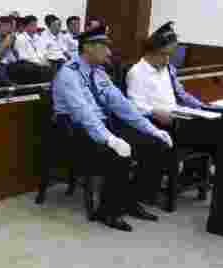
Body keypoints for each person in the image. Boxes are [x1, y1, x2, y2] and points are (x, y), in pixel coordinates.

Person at [51, 23, 173, 231]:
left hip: (101, 125)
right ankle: (108, 211)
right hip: (75, 131)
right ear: (88, 47)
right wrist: (110, 139)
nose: (109, 51)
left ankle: (130, 200)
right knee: (119, 154)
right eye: (104, 46)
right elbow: (84, 114)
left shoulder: (99, 73)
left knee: (154, 144)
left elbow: (122, 105)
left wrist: (150, 129)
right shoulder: (68, 74)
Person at [126, 22, 223, 161]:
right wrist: (154, 112)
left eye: (170, 55)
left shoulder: (168, 69)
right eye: (164, 55)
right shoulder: (137, 72)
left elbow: (181, 93)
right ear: (151, 51)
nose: (167, 60)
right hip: (159, 122)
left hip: (179, 117)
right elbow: (135, 105)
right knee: (220, 134)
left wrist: (202, 107)